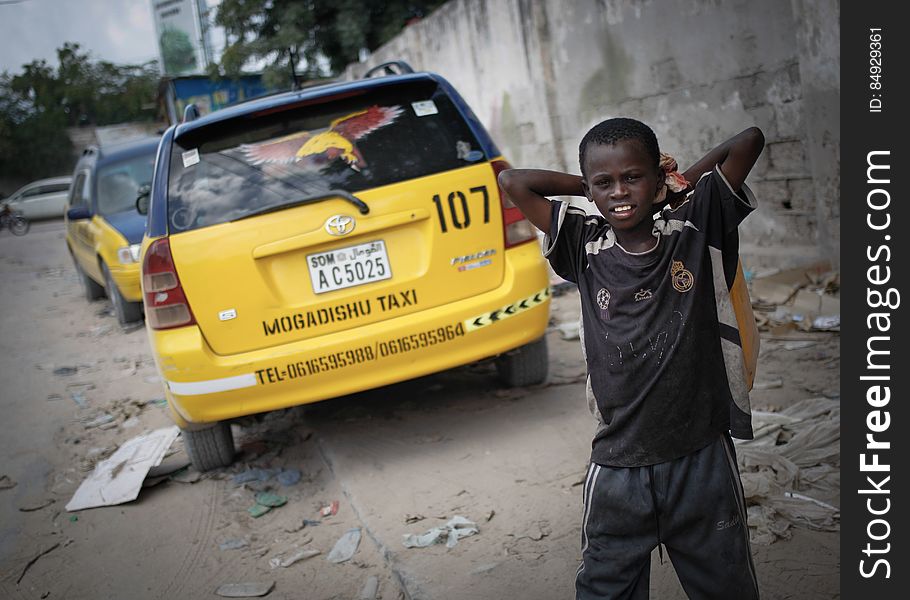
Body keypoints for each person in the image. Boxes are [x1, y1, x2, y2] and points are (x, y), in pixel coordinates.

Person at [498, 117, 765, 599]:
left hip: (701, 456)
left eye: (633, 177)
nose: (620, 192)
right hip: (619, 465)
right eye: (605, 183)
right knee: (606, 588)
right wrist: (592, 184)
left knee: (727, 587)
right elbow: (513, 182)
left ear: (656, 179)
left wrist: (676, 188)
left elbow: (747, 142)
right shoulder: (585, 244)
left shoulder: (694, 227)